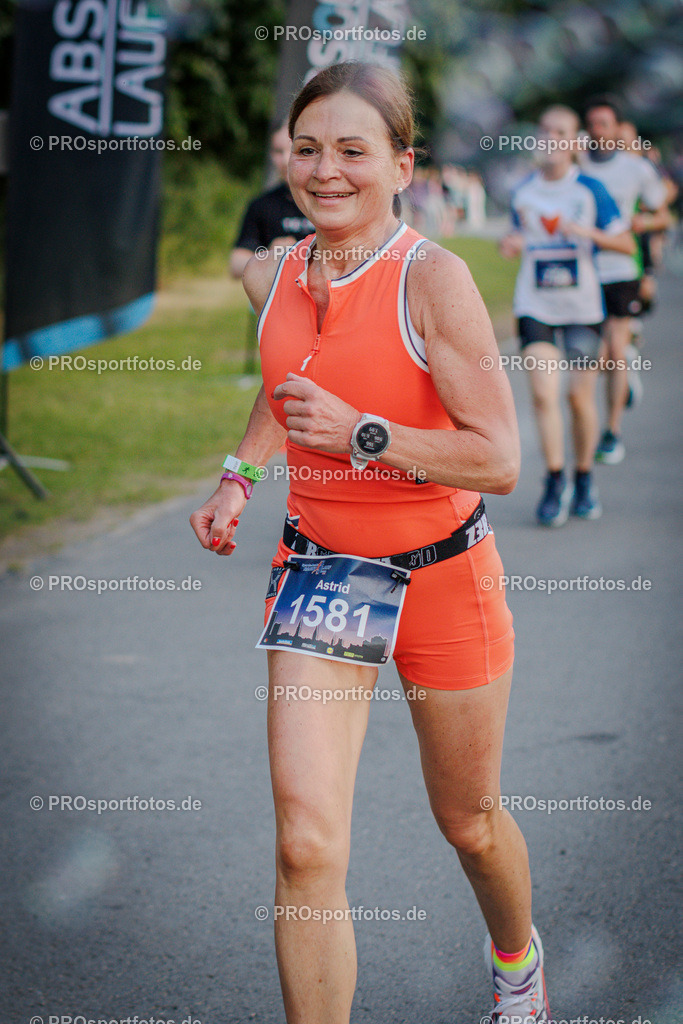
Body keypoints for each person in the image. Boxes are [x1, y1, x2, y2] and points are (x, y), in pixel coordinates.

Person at [191, 61, 551, 1024]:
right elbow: (287, 385)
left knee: (468, 823)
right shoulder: (274, 272)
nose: (326, 170)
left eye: (353, 150)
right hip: (322, 572)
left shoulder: (433, 280)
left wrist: (364, 433)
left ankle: (516, 961)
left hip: (442, 576)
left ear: (403, 165)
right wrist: (240, 474)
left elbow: (498, 458)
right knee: (305, 844)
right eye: (308, 148)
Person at [500, 105, 635, 526]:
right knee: (544, 395)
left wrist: (588, 233)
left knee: (578, 397)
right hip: (535, 305)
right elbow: (515, 235)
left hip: (582, 310)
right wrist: (511, 243)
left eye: (561, 132)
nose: (551, 139)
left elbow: (627, 245)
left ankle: (584, 477)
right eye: (545, 130)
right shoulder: (523, 191)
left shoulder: (590, 190)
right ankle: (555, 480)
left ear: (576, 142)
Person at [581, 96, 669, 464]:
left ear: (618, 128)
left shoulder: (636, 169)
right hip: (583, 271)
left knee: (614, 349)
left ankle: (611, 431)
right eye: (592, 124)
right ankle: (621, 379)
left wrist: (642, 223)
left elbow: (663, 216)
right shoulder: (577, 163)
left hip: (621, 269)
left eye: (604, 124)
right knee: (592, 355)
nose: (597, 131)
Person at [229, 122, 313, 279]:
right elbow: (236, 265)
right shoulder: (261, 205)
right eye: (278, 151)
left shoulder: (332, 199)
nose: (285, 160)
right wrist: (269, 256)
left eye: (294, 149)